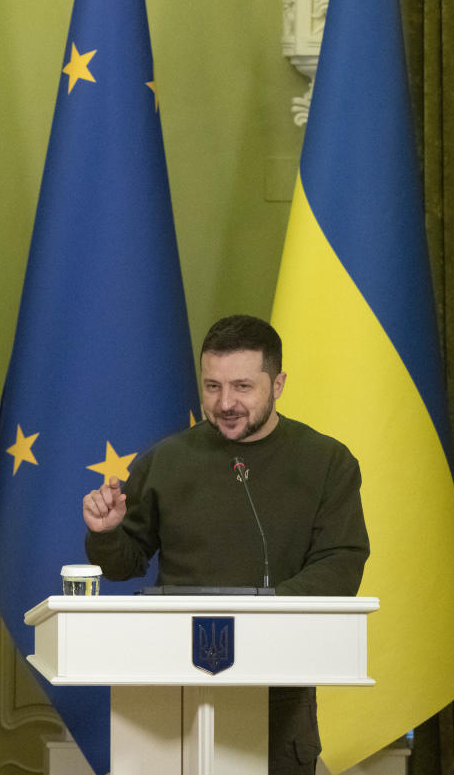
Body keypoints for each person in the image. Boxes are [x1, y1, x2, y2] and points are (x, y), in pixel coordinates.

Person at [81, 314, 369, 775]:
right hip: (172, 691)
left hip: (279, 688)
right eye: (212, 387)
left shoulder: (327, 462)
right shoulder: (168, 460)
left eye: (241, 387)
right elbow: (124, 563)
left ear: (278, 384)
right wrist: (107, 532)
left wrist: (262, 611)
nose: (226, 403)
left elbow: (341, 564)